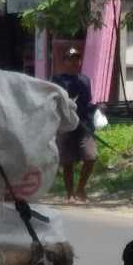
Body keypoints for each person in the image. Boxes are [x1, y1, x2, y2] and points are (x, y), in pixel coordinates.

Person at [53, 47, 97, 203]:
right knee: (68, 162)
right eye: (70, 59)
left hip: (84, 126)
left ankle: (81, 189)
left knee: (91, 157)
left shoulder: (85, 80)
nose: (74, 62)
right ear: (64, 62)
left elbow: (87, 102)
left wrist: (98, 107)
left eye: (77, 59)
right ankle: (70, 194)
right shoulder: (57, 80)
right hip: (66, 126)